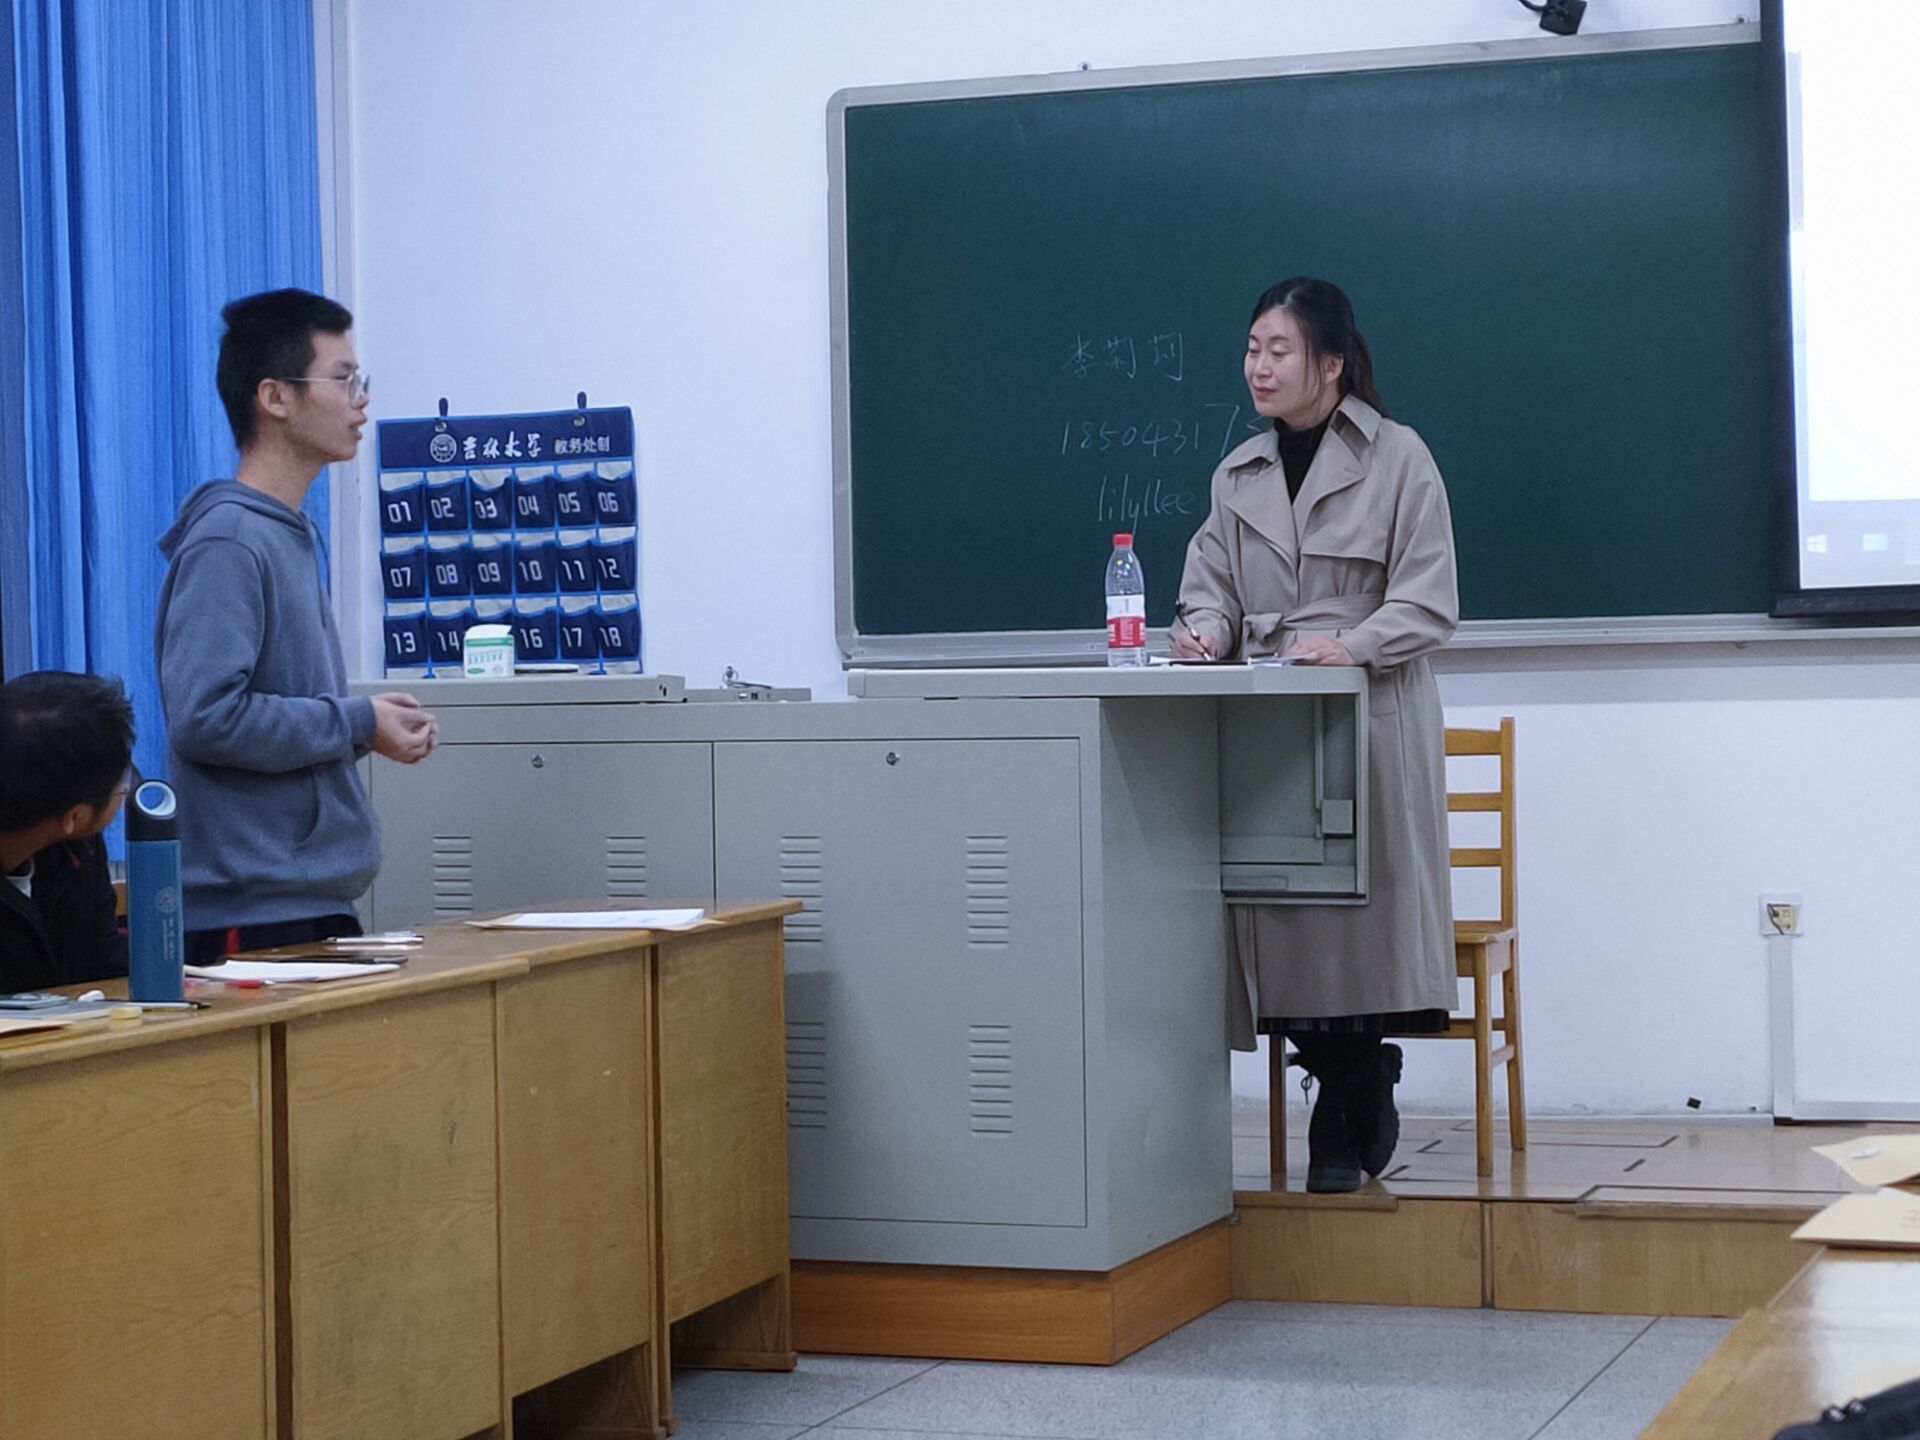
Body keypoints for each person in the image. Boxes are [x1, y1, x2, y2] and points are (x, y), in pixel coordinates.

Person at [1172, 277, 1458, 1193]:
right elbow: (1211, 588)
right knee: (1281, 916)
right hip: (1271, 728)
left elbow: (1429, 599)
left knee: (1356, 928)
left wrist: (1355, 644)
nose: (1258, 366)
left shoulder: (1400, 458)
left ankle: (1345, 1100)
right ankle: (1351, 1084)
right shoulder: (1238, 475)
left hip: (1368, 721)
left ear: (1330, 364)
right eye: (1252, 348)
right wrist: (1205, 631)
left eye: (1279, 350)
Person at [155, 288, 437, 964]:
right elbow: (205, 718)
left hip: (307, 903)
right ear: (275, 397)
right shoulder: (230, 540)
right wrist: (355, 720)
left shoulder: (289, 533)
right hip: (250, 916)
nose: (360, 401)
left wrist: (364, 727)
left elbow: (273, 716)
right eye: (343, 379)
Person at [0, 670, 135, 992]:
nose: (127, 790)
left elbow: (105, 968)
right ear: (74, 816)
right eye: (120, 783)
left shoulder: (79, 849)